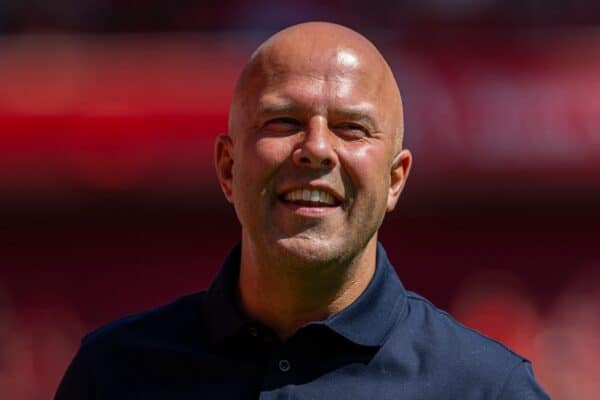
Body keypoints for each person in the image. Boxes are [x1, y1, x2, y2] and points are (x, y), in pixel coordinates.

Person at [55, 22, 550, 399]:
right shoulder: (114, 373)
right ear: (228, 168)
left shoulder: (486, 389)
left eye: (351, 128)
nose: (316, 149)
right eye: (284, 120)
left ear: (395, 179)